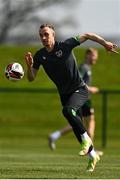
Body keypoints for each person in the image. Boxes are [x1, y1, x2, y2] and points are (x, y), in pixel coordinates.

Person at [25, 24, 118, 172]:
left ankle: (87, 142)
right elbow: (31, 78)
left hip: (80, 90)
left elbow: (87, 35)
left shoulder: (66, 45)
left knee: (68, 111)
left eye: (46, 34)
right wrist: (29, 67)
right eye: (41, 35)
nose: (43, 37)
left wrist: (105, 43)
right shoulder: (39, 55)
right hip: (65, 94)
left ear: (53, 35)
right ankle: (93, 156)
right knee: (77, 129)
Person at [48, 48, 103, 156]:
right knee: (89, 122)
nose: (95, 59)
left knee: (77, 123)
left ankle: (55, 135)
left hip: (82, 98)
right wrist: (90, 89)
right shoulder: (84, 67)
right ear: (88, 55)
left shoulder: (87, 67)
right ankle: (91, 150)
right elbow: (79, 82)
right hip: (83, 99)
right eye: (94, 56)